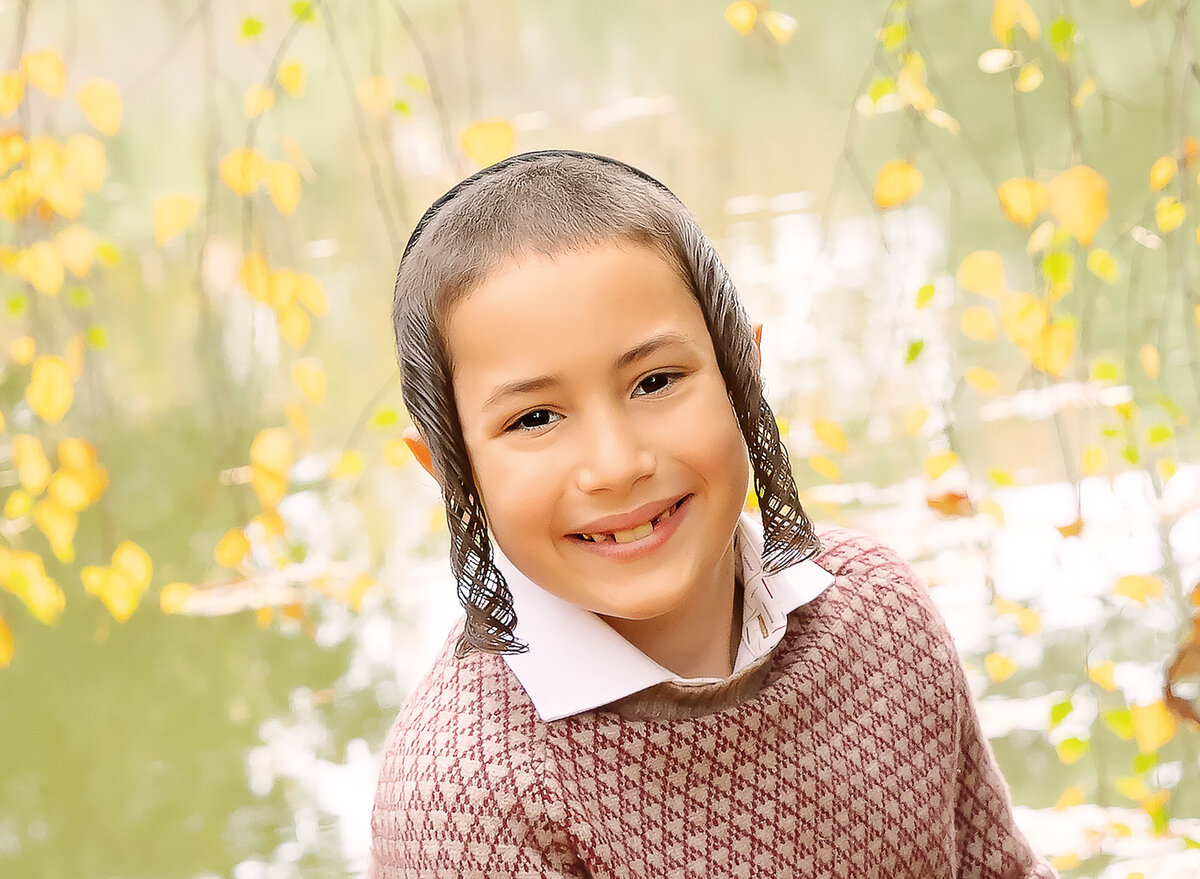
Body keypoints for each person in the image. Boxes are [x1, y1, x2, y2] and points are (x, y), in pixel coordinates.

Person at [369, 149, 1057, 878]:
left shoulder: (880, 613)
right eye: (536, 417)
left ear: (742, 370)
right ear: (448, 466)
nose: (616, 464)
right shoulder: (468, 801)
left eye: (655, 380)